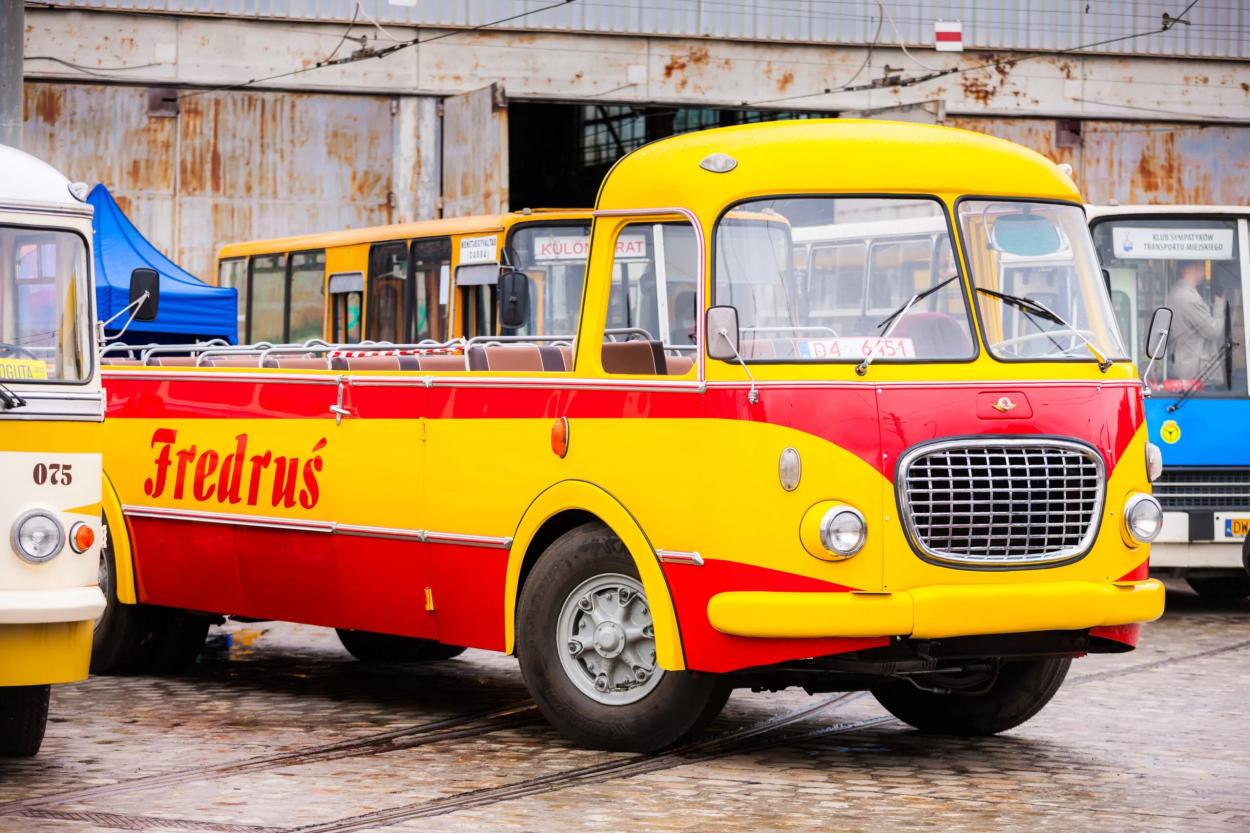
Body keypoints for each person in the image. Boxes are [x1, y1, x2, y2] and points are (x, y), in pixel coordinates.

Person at [1165, 260, 1226, 380]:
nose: (1204, 271)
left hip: (1187, 362)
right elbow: (1213, 331)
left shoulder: (1177, 292)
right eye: (1202, 266)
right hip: (1197, 369)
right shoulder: (1188, 297)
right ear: (1194, 268)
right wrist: (1220, 304)